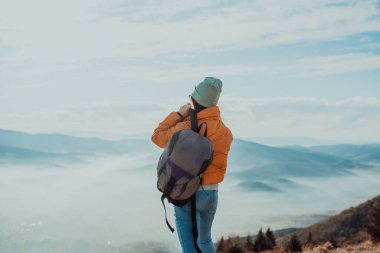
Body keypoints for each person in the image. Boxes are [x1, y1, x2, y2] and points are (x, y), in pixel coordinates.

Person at [151, 77, 233, 253]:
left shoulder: (186, 127)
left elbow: (157, 136)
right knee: (205, 240)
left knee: (188, 246)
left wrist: (179, 114)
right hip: (211, 193)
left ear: (195, 101)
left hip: (187, 192)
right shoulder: (225, 132)